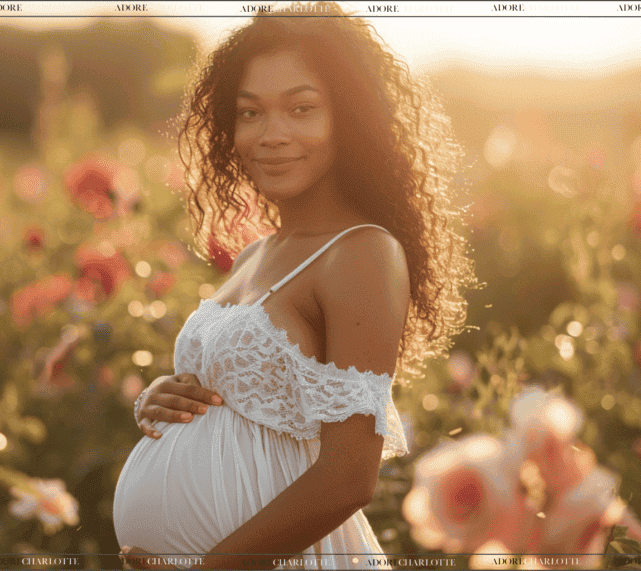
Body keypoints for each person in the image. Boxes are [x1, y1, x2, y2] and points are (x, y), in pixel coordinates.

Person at [113, 2, 476, 569]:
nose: (271, 135)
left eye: (302, 109)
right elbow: (244, 404)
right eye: (250, 113)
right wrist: (165, 398)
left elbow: (348, 477)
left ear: (350, 118)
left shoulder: (362, 252)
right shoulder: (257, 253)